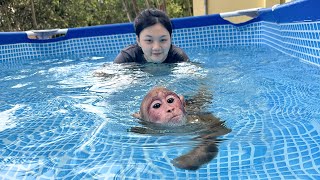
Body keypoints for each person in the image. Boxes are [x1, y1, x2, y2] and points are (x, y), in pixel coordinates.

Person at [131, 87, 231, 170]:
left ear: (182, 103)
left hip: (196, 104)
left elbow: (221, 130)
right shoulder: (144, 130)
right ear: (143, 120)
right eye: (157, 105)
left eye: (170, 100)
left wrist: (198, 155)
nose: (169, 108)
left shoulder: (198, 119)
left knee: (204, 96)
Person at [114, 8, 189, 64]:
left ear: (170, 38)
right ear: (138, 41)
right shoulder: (128, 57)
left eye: (163, 40)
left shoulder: (178, 56)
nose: (156, 47)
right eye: (149, 40)